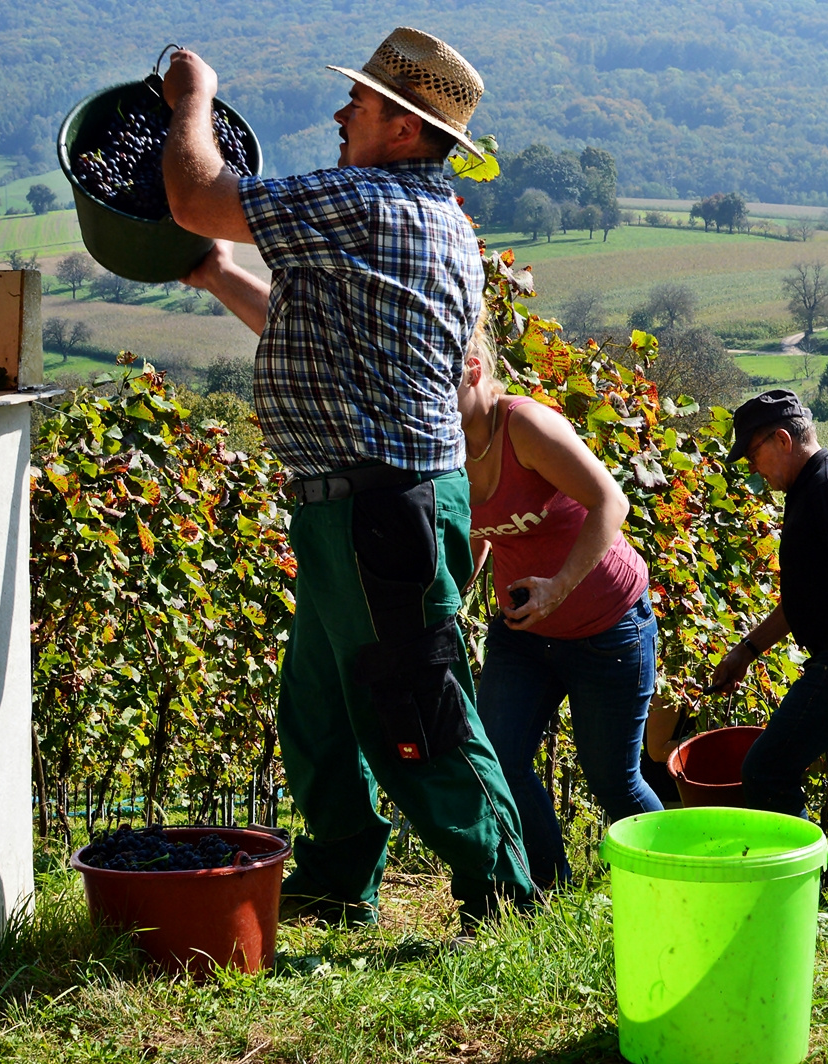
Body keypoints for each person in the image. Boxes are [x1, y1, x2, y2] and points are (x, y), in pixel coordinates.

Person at [160, 28, 534, 931]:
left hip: (375, 508)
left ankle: (507, 892)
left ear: (404, 131)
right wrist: (221, 276)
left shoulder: (364, 202)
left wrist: (191, 100)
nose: (341, 113)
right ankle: (339, 874)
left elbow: (195, 195)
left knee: (412, 707)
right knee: (320, 711)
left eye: (359, 103)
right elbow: (327, 345)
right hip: (367, 503)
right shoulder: (432, 216)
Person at [458, 324, 662, 888]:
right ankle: (549, 888)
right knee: (499, 759)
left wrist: (558, 585)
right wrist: (454, 592)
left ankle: (671, 885)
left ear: (474, 372)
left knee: (613, 779)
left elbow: (610, 501)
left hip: (607, 625)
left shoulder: (525, 426)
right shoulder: (448, 444)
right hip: (523, 634)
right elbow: (480, 532)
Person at [707, 389, 828, 905]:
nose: (755, 469)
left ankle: (795, 899)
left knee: (767, 768)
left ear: (782, 438)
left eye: (755, 454)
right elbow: (805, 600)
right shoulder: (811, 489)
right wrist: (747, 650)